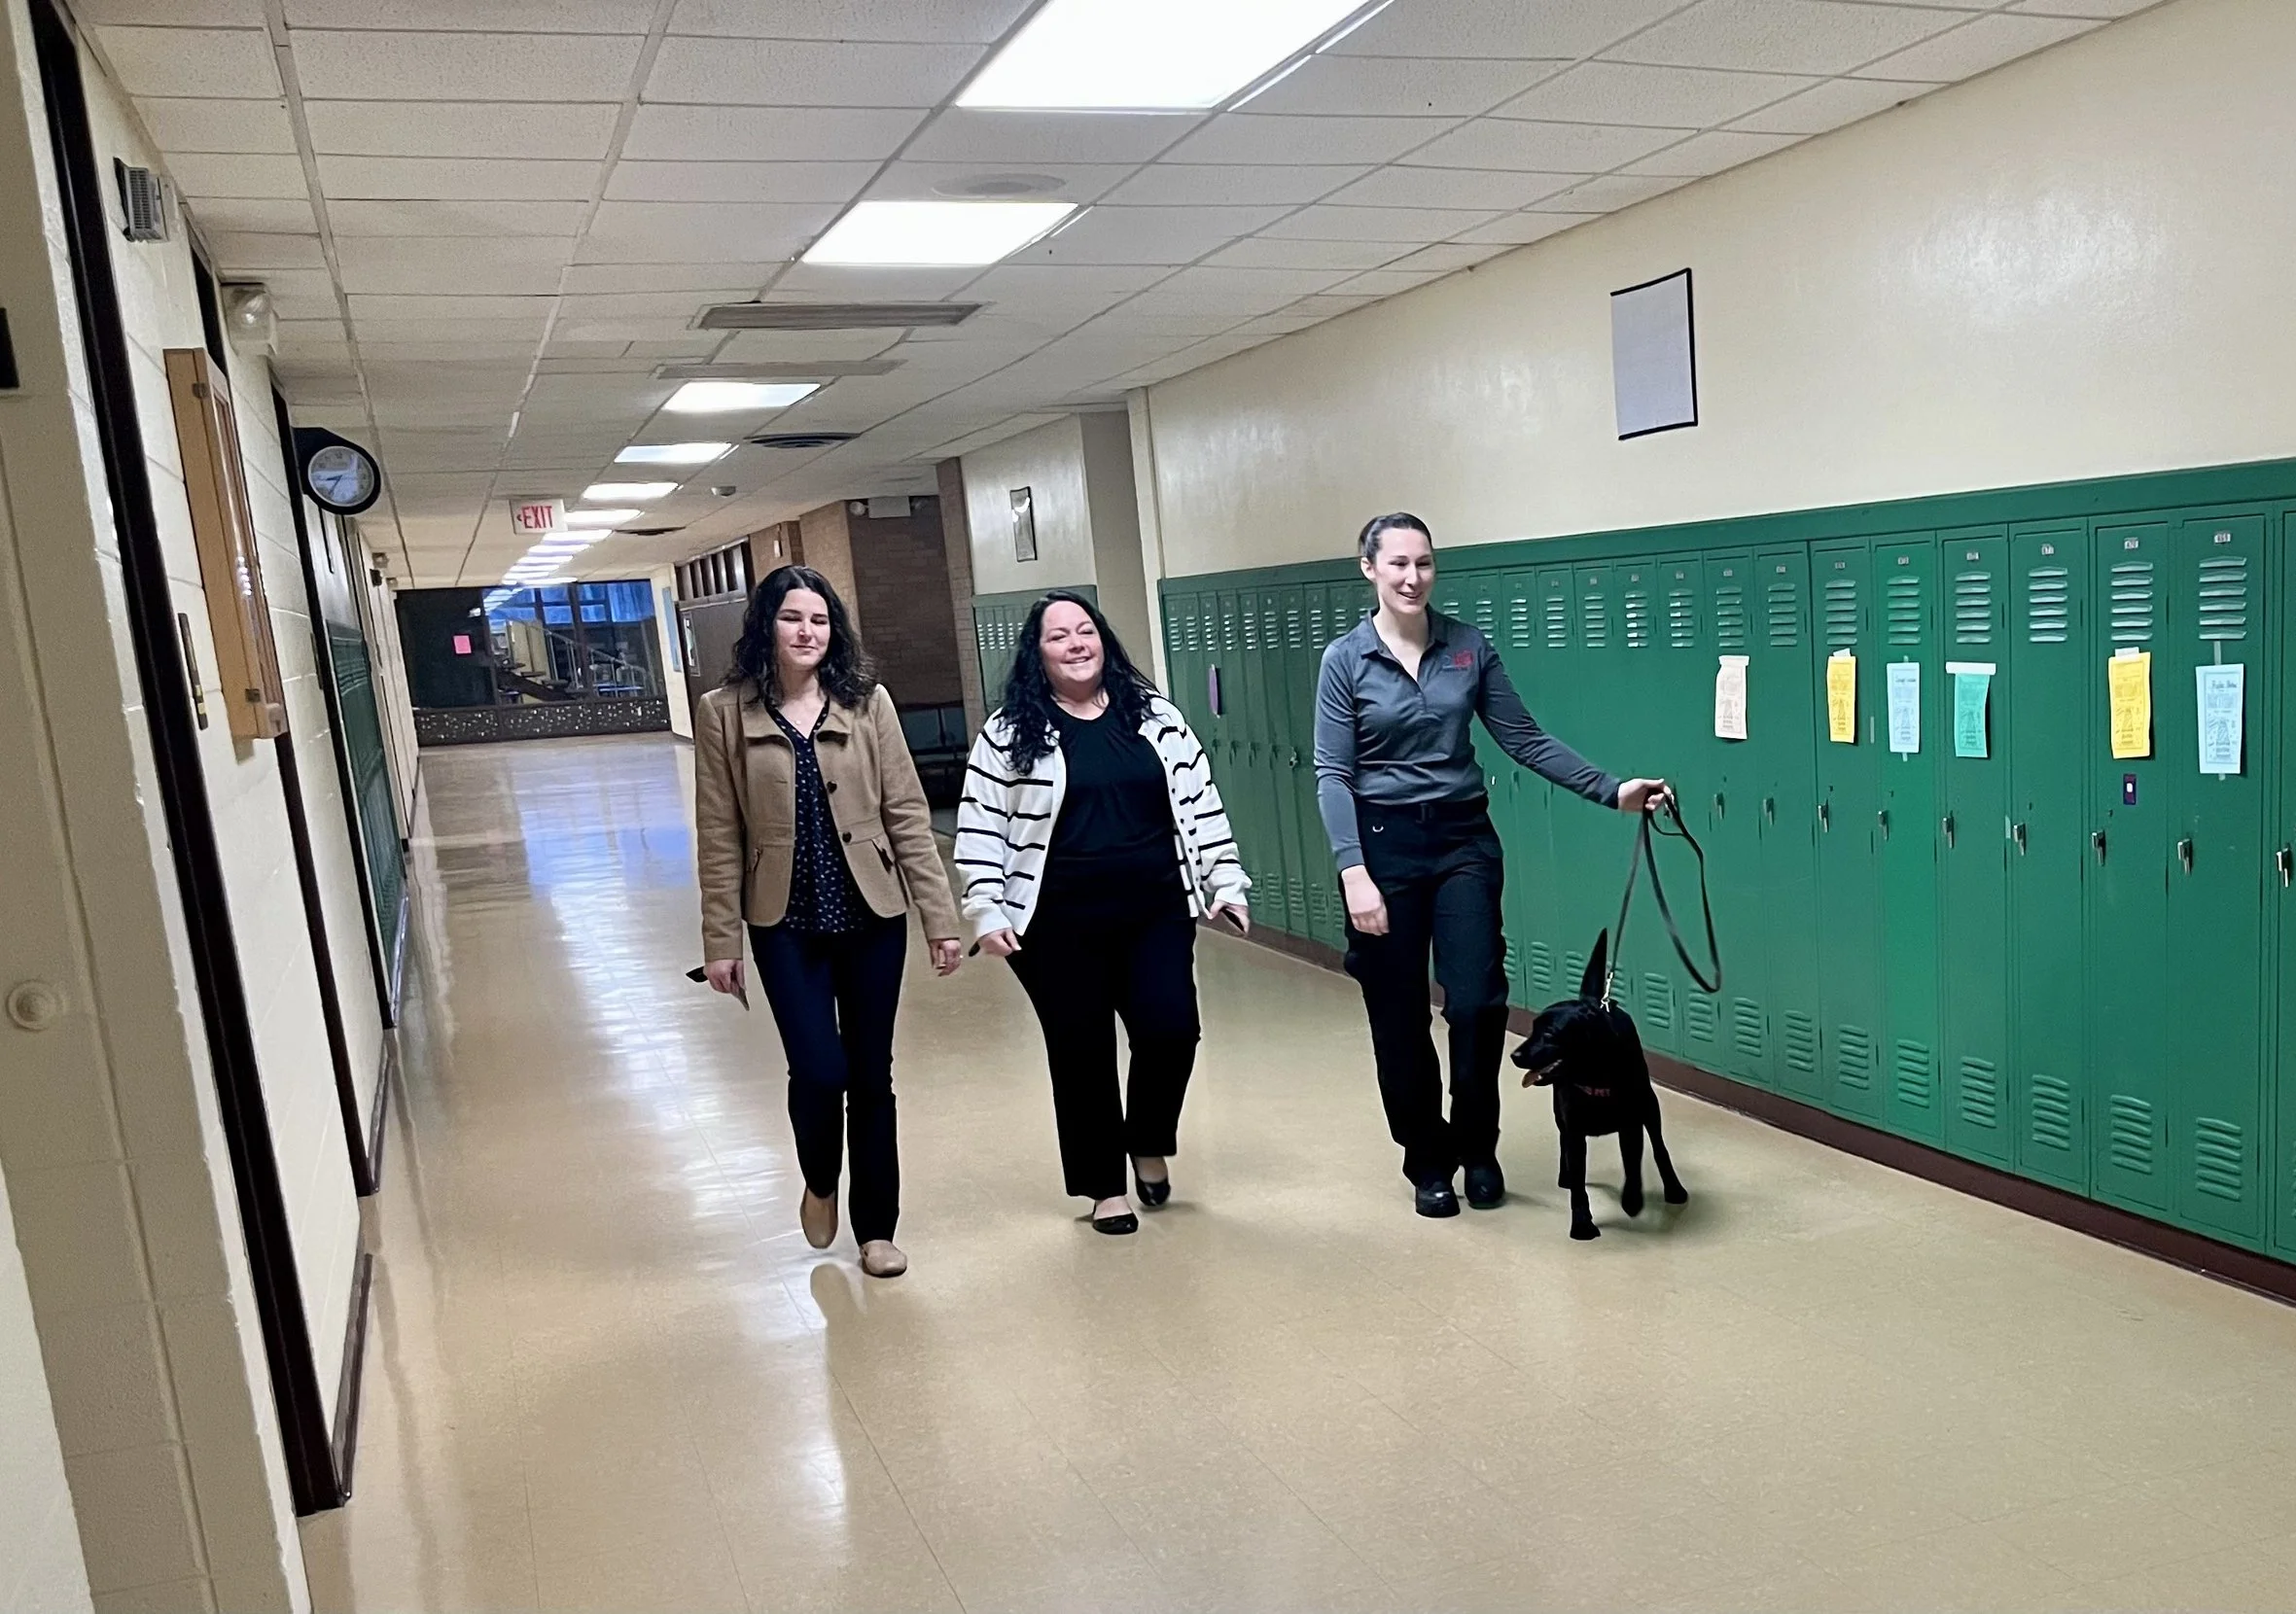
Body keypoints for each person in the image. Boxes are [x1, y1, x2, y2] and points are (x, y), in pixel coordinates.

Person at [1315, 513, 1670, 1218]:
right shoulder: (1344, 661)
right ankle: (1427, 1159)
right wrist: (1354, 870)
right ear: (1369, 569)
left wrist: (1614, 790)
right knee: (1399, 1015)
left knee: (1476, 1004)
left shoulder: (1468, 648)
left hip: (1461, 842)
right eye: (1398, 565)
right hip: (1382, 846)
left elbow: (1525, 738)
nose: (1412, 578)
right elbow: (1332, 772)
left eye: (1424, 564)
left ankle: (1479, 1147)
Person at [695, 565, 962, 1279]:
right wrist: (720, 940)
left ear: (833, 630)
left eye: (819, 620)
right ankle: (820, 1178)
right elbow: (719, 832)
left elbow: (907, 814)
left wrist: (941, 919)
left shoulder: (868, 704)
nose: (807, 631)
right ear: (766, 627)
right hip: (783, 921)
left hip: (872, 914)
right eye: (792, 619)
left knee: (871, 1074)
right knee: (819, 1068)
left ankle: (877, 1229)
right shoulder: (724, 710)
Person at [957, 591, 1252, 1235]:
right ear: (1037, 654)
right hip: (1056, 921)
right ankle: (1102, 1188)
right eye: (1057, 636)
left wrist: (1225, 879)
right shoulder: (1009, 733)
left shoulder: (1155, 717)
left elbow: (1201, 802)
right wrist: (986, 908)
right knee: (1081, 1049)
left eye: (1084, 630)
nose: (1074, 643)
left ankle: (1147, 1138)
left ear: (1103, 639)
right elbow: (982, 828)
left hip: (1155, 909)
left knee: (1172, 1030)